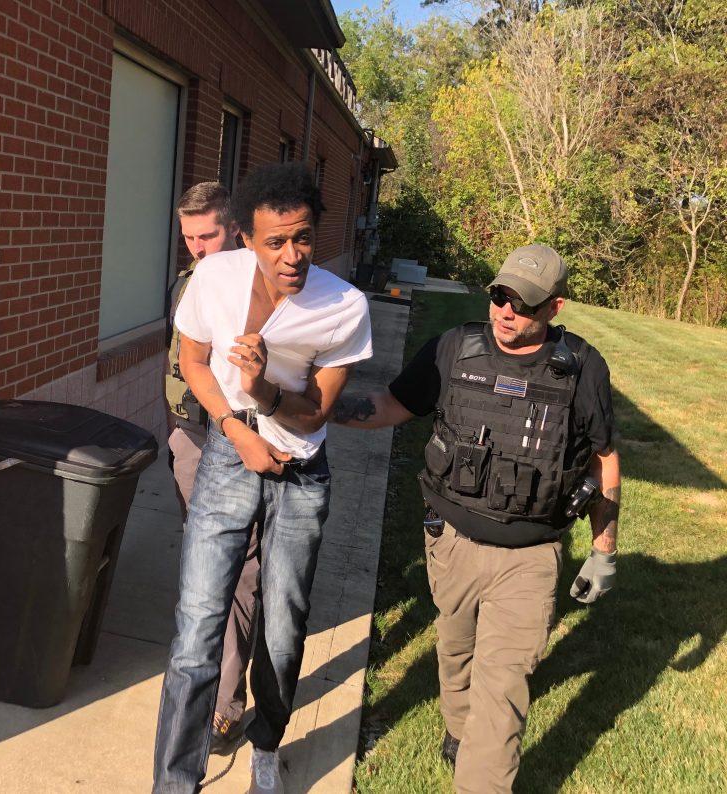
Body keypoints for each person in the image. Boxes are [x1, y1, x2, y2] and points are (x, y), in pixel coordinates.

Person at [332, 244, 621, 793]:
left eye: (523, 303)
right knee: (455, 647)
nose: (506, 312)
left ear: (554, 307)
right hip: (452, 541)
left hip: (531, 555)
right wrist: (316, 407)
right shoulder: (453, 349)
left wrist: (603, 549)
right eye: (499, 296)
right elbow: (392, 405)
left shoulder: (582, 368)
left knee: (503, 686)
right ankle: (457, 728)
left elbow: (604, 457)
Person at [153, 162, 373, 794]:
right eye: (275, 241)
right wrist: (236, 425)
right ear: (246, 238)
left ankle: (267, 745)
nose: (292, 255)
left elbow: (317, 413)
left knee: (283, 626)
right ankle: (174, 782)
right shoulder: (213, 278)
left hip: (300, 471)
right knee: (197, 625)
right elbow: (194, 361)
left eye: (303, 238)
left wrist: (262, 389)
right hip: (229, 455)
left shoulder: (343, 305)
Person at [165, 182, 258, 753]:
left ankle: (224, 703)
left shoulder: (258, 290)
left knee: (240, 567)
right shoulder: (186, 284)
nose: (197, 248)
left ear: (236, 230)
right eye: (189, 238)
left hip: (241, 440)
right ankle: (200, 674)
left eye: (208, 236)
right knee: (201, 564)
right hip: (190, 438)